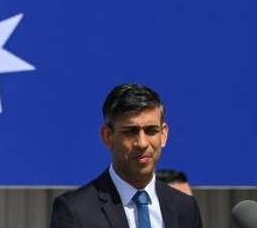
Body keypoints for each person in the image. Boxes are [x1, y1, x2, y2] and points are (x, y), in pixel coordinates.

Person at [50, 83, 202, 228]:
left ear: (164, 135)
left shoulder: (186, 208)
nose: (142, 143)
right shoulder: (75, 210)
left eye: (151, 131)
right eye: (130, 131)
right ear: (107, 136)